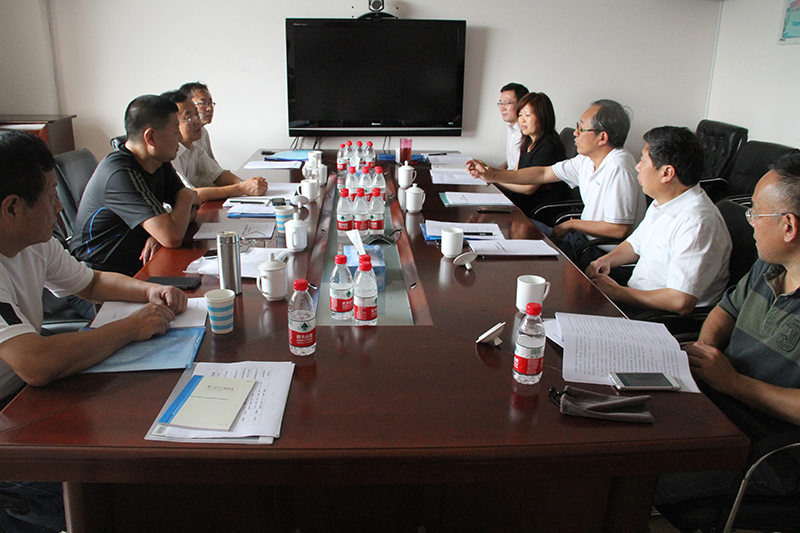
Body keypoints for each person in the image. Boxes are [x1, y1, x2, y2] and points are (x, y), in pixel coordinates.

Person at [0, 129, 188, 533]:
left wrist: (149, 290)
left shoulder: (33, 240)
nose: (59, 207)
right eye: (51, 195)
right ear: (12, 208)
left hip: (27, 394)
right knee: (104, 487)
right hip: (10, 415)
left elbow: (91, 282)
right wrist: (130, 327)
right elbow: (35, 364)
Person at [655, 153, 800, 527]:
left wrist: (733, 383)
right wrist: (706, 351)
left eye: (755, 214)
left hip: (771, 447)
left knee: (644, 468)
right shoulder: (769, 264)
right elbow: (725, 312)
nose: (750, 224)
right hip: (718, 403)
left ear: (788, 226)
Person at [468, 99, 646, 265]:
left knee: (516, 239)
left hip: (598, 253)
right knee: (513, 227)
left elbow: (618, 229)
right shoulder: (586, 160)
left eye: (581, 129)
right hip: (582, 239)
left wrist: (571, 223)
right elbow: (543, 173)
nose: (575, 133)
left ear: (602, 138)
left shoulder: (618, 167)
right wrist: (493, 174)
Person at [585, 126, 731, 316]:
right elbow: (634, 244)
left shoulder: (698, 223)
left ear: (666, 173)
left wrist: (617, 293)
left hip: (659, 317)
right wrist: (605, 260)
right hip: (636, 296)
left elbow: (680, 301)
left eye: (643, 160)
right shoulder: (662, 201)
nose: (637, 167)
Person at [70, 95, 201, 276]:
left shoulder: (158, 161)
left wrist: (158, 233)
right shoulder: (119, 173)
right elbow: (172, 236)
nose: (179, 138)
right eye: (175, 131)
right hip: (99, 274)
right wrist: (186, 196)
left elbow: (193, 209)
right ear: (151, 137)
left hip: (136, 264)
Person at [470, 92, 569, 217]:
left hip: (538, 210)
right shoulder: (528, 142)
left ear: (543, 117)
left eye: (527, 115)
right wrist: (487, 170)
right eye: (520, 115)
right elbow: (515, 173)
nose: (522, 120)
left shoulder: (549, 146)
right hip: (520, 204)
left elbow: (528, 189)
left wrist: (492, 177)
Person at [161, 90, 268, 203]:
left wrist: (245, 183)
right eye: (190, 118)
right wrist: (241, 188)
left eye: (197, 115)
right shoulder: (168, 153)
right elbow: (191, 195)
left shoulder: (194, 147)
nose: (197, 121)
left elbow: (217, 174)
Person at [179, 81, 215, 160]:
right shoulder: (185, 138)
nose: (209, 108)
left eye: (210, 103)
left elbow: (212, 163)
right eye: (202, 103)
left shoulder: (203, 132)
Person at [498, 82, 529, 170]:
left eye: (507, 103)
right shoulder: (511, 127)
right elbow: (511, 162)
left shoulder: (527, 132)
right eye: (501, 103)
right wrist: (490, 170)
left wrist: (493, 174)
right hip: (509, 176)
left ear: (521, 104)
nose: (502, 108)